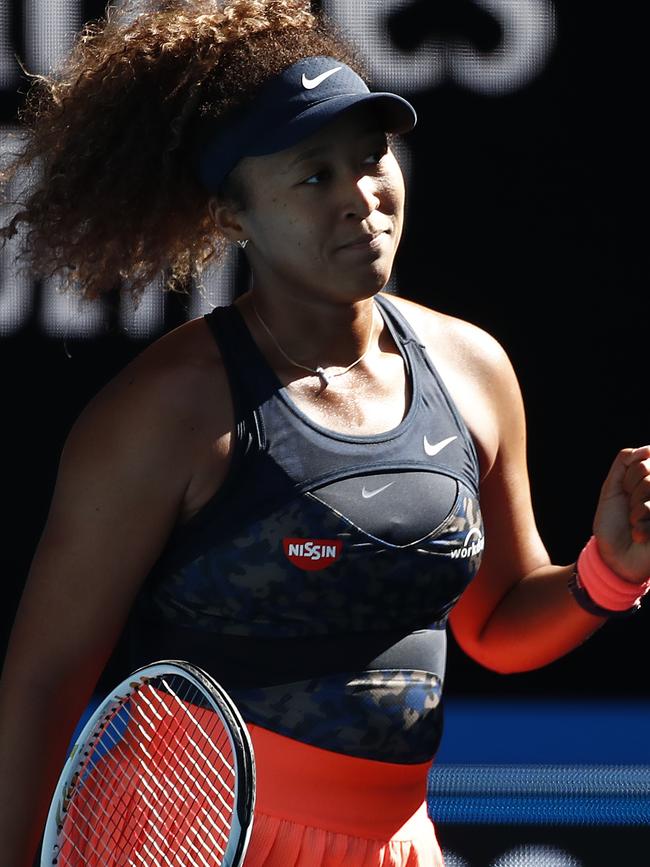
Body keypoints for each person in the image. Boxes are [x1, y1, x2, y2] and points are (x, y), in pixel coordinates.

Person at [1, 0, 649, 864]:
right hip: (181, 839)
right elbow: (47, 682)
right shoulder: (167, 410)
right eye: (315, 176)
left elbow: (495, 625)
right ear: (233, 218)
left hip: (395, 843)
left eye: (371, 156)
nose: (362, 197)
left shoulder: (473, 368)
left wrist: (610, 572)